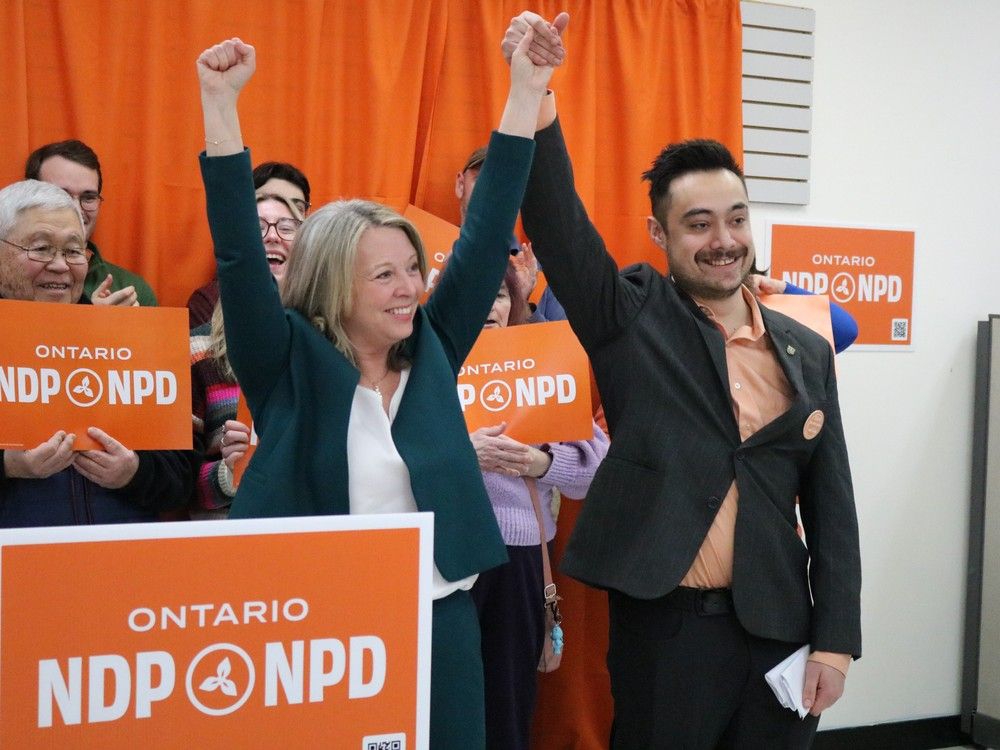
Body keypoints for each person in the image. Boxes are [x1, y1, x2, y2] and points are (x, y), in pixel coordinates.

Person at [504, 12, 861, 748]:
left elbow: (833, 505)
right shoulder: (631, 316)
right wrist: (536, 96)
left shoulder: (805, 346)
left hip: (782, 631)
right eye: (698, 224)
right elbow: (560, 226)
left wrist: (836, 640)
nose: (723, 241)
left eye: (736, 219)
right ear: (659, 234)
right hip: (668, 633)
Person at [196, 32, 551, 746]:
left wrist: (525, 89)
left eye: (412, 269)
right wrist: (220, 105)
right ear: (333, 283)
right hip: (317, 628)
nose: (409, 288)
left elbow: (486, 234)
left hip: (441, 621)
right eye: (385, 275)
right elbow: (238, 254)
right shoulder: (284, 360)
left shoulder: (434, 344)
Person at [467, 264, 608, 749]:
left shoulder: (540, 363)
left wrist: (541, 461)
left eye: (499, 295)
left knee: (508, 701)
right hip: (441, 555)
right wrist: (463, 453)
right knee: (442, 699)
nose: (489, 306)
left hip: (519, 558)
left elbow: (596, 468)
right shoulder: (423, 364)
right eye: (475, 293)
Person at [0, 180, 191, 526]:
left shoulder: (128, 342)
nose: (60, 265)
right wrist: (9, 466)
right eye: (41, 248)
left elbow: (182, 479)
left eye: (74, 251)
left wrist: (135, 472)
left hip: (122, 552)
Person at [189, 192, 303, 518]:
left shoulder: (335, 348)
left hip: (316, 533)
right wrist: (229, 471)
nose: (271, 236)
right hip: (232, 534)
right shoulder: (197, 349)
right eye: (257, 228)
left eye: (287, 227)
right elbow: (176, 486)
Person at [25, 140, 157, 307]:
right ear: (28, 199)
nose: (75, 209)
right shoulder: (9, 274)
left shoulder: (130, 290)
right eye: (60, 195)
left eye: (88, 198)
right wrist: (91, 317)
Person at [186, 160, 310, 328]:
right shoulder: (207, 303)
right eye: (259, 225)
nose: (273, 236)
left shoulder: (318, 301)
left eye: (287, 225)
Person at [456, 146, 566, 323]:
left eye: (506, 185)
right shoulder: (423, 253)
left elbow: (561, 340)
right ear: (460, 185)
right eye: (482, 180)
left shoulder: (543, 276)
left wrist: (520, 301)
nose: (493, 193)